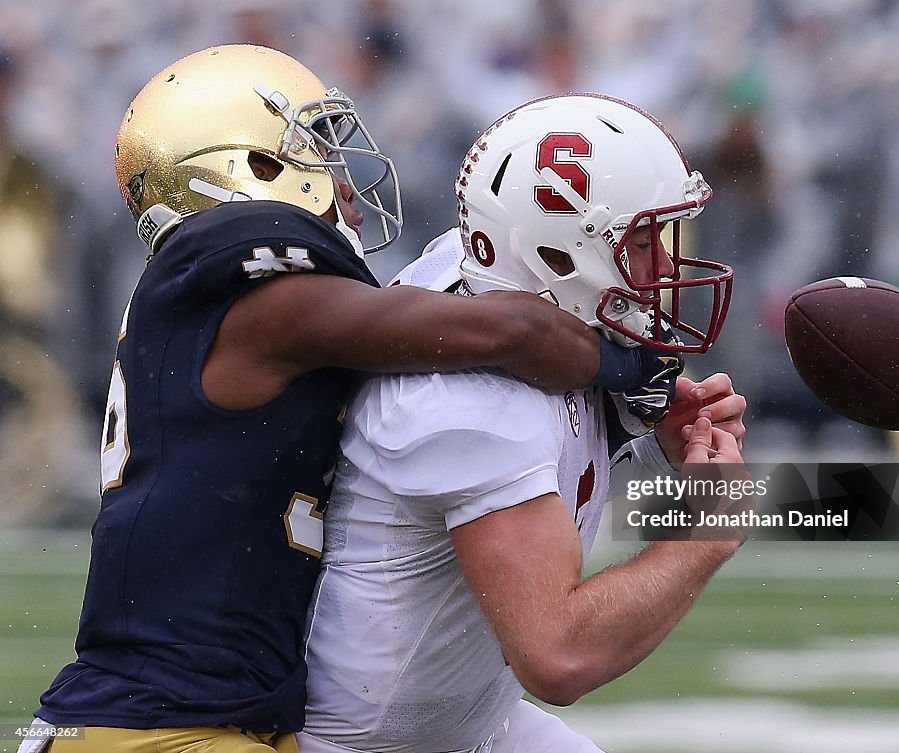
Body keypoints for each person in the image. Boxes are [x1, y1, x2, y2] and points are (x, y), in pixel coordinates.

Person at [19, 47, 674, 753]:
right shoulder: (248, 291)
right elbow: (514, 328)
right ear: (250, 169)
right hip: (157, 730)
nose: (349, 187)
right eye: (319, 156)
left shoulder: (224, 306)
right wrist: (629, 362)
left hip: (205, 721)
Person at [299, 93, 747, 753]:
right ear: (558, 256)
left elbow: (562, 467)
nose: (665, 268)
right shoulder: (471, 407)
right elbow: (559, 655)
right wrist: (705, 535)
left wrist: (648, 442)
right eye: (643, 240)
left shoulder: (495, 279)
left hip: (469, 726)